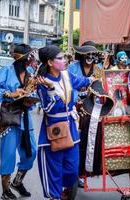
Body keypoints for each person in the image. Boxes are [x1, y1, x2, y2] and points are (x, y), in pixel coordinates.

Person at [36, 45, 95, 200]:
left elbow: (82, 81)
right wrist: (50, 89)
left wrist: (93, 79)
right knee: (53, 170)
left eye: (64, 57)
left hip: (71, 129)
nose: (65, 60)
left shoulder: (67, 75)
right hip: (53, 130)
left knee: (72, 170)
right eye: (60, 58)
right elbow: (49, 109)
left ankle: (62, 191)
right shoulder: (42, 82)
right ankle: (54, 197)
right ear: (50, 62)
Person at [0, 44, 37, 199]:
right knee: (8, 154)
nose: (33, 59)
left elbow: (33, 93)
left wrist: (31, 101)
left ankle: (17, 181)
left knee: (31, 152)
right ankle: (5, 190)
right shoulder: (7, 71)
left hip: (25, 118)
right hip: (9, 117)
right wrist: (11, 93)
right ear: (22, 58)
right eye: (30, 56)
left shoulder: (30, 74)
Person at [67, 41, 102, 187]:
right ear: (81, 55)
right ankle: (73, 172)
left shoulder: (98, 69)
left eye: (93, 54)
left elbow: (103, 88)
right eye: (87, 54)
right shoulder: (72, 68)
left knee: (96, 137)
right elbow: (68, 87)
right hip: (74, 108)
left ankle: (89, 168)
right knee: (75, 141)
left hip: (93, 108)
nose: (90, 57)